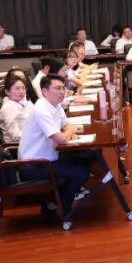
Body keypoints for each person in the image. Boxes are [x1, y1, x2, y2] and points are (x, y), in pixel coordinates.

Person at [17, 74, 91, 218]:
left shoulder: (55, 105)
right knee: (81, 172)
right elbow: (61, 138)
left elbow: (66, 125)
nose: (62, 92)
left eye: (63, 88)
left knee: (84, 158)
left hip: (48, 157)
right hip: (34, 165)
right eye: (57, 88)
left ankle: (54, 204)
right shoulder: (41, 110)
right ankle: (62, 210)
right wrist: (70, 130)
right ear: (45, 91)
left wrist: (69, 130)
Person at [0, 77, 34, 143]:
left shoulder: (21, 102)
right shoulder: (8, 109)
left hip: (30, 137)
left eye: (23, 88)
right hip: (19, 145)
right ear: (7, 92)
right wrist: (36, 136)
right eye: (17, 88)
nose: (21, 91)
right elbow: (15, 137)